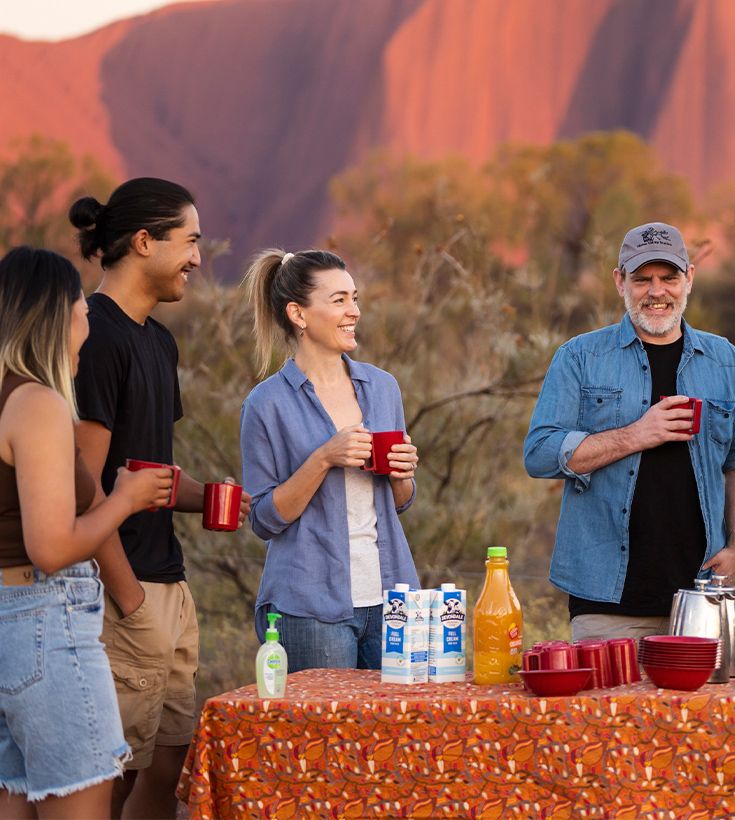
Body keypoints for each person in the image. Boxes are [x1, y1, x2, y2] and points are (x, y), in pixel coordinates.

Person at [69, 177, 251, 818]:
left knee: (168, 759)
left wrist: (210, 498)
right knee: (108, 772)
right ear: (144, 242)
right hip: (121, 591)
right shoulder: (94, 335)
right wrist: (130, 598)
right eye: (190, 241)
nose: (199, 259)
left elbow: (147, 470)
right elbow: (81, 486)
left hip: (167, 584)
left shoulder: (157, 340)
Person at [0, 247, 175, 817]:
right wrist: (124, 499)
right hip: (45, 624)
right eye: (81, 311)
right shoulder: (38, 402)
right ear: (56, 316)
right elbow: (50, 547)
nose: (87, 325)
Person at [524, 222, 735, 642]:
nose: (656, 291)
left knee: (702, 711)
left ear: (689, 277)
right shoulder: (580, 357)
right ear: (620, 282)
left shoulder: (725, 360)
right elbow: (540, 454)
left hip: (702, 598)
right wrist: (637, 434)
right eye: (642, 279)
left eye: (668, 278)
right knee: (605, 711)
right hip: (607, 602)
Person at [239, 249, 420, 670]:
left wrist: (402, 473)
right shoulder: (266, 404)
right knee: (325, 736)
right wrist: (323, 458)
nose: (354, 311)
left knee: (397, 733)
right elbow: (264, 518)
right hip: (309, 608)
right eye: (338, 300)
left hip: (391, 598)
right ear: (298, 314)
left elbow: (401, 501)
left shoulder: (382, 387)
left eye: (354, 298)